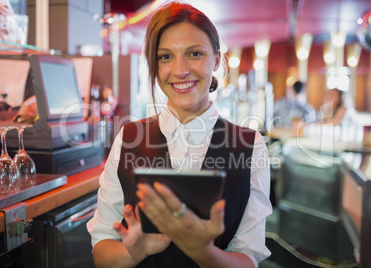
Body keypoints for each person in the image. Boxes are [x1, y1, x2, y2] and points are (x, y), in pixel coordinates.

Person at [87, 2, 272, 268]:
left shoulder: (250, 145)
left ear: (217, 59)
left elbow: (248, 257)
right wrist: (133, 252)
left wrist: (204, 252)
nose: (179, 70)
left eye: (194, 53)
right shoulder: (128, 138)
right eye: (165, 57)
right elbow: (101, 250)